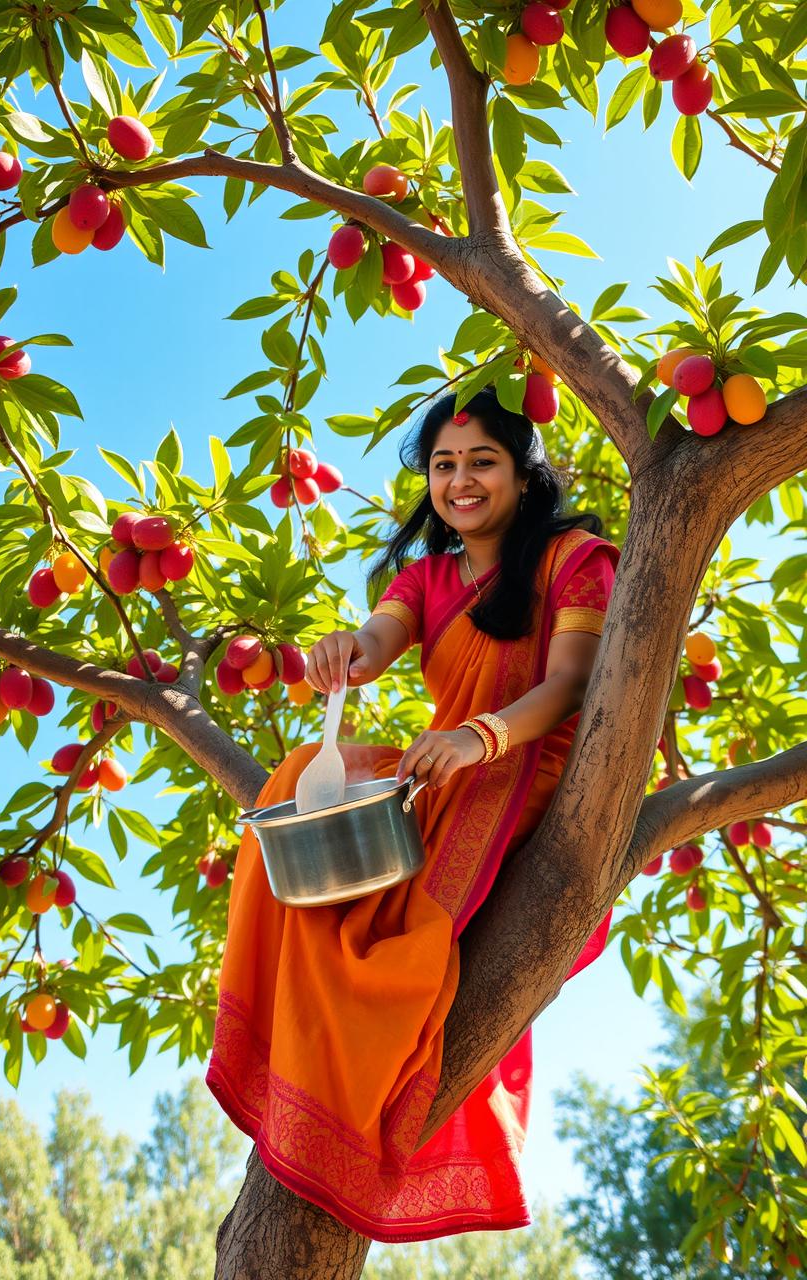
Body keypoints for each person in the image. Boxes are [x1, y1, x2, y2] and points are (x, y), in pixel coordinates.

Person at [206, 386, 619, 1243]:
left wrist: (481, 738)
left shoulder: (575, 559)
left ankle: (355, 1094)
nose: (460, 481)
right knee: (294, 785)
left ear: (522, 472)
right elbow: (376, 642)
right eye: (443, 466)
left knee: (401, 943)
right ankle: (318, 1087)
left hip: (527, 766)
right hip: (451, 765)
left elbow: (574, 684)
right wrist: (341, 656)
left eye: (482, 462)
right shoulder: (428, 575)